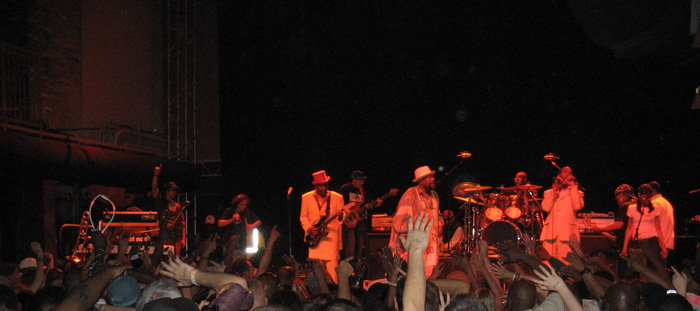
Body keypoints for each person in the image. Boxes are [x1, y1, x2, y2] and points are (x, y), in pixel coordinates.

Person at [389, 166, 443, 278]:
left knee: (428, 282)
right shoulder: (411, 194)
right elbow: (399, 224)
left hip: (430, 250)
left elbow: (438, 219)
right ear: (420, 181)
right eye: (428, 177)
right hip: (415, 249)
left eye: (432, 176)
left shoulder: (434, 196)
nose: (432, 179)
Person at [300, 170, 346, 283]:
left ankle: (334, 291)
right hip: (315, 237)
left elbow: (342, 218)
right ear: (315, 185)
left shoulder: (337, 197)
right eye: (321, 185)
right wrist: (309, 228)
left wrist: (341, 216)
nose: (323, 188)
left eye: (325, 185)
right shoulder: (306, 197)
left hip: (331, 237)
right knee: (316, 270)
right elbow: (303, 216)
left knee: (332, 270)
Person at [540, 166, 584, 261]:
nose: (565, 179)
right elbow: (546, 208)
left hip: (568, 234)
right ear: (558, 177)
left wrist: (573, 186)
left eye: (569, 175)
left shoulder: (576, 192)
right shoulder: (549, 193)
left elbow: (577, 206)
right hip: (550, 234)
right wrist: (555, 190)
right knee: (548, 262)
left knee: (567, 263)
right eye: (563, 177)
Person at [338, 170, 383, 260]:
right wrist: (349, 211)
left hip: (359, 222)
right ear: (354, 179)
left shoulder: (362, 190)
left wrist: (374, 205)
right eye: (360, 180)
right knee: (350, 247)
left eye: (362, 180)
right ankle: (348, 270)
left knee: (359, 247)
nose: (362, 182)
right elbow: (340, 205)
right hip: (349, 221)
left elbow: (364, 206)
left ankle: (357, 269)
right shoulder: (346, 188)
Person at [622, 184, 666, 268]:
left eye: (648, 197)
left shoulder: (656, 208)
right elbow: (629, 227)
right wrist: (625, 247)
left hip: (652, 239)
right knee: (635, 266)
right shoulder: (632, 208)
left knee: (653, 267)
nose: (646, 199)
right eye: (644, 196)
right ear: (639, 195)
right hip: (638, 240)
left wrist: (663, 247)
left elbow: (658, 228)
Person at [152, 165, 186, 254]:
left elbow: (182, 224)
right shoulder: (161, 202)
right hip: (163, 237)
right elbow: (154, 189)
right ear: (167, 190)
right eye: (173, 190)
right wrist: (156, 175)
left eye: (176, 190)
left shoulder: (178, 206)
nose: (175, 192)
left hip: (175, 239)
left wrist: (183, 239)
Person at [649, 181, 675, 262]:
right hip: (667, 242)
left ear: (652, 190)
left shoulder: (654, 203)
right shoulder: (667, 203)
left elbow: (651, 224)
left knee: (653, 272)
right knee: (661, 271)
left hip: (657, 243)